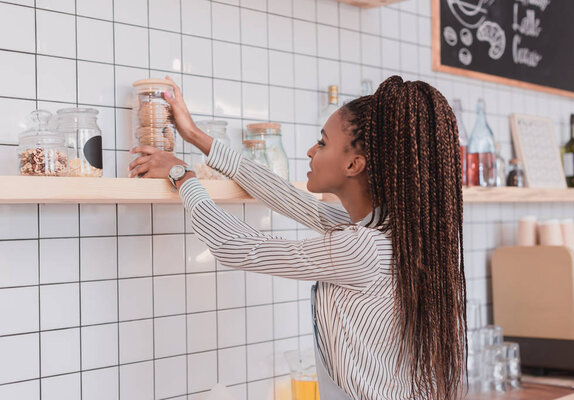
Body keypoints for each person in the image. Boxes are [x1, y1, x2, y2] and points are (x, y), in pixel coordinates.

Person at [129, 75, 467, 400]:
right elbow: (298, 203)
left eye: (322, 142)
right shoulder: (390, 235)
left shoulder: (361, 248)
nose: (309, 151)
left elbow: (235, 247)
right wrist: (195, 136)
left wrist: (182, 175)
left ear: (354, 164)